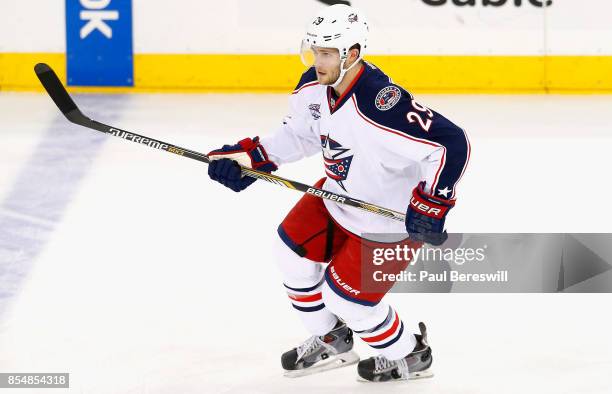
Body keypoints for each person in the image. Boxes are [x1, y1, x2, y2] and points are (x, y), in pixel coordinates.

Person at [206, 4, 470, 382]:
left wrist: (433, 202)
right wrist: (251, 158)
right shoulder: (314, 87)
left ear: (353, 54)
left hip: (386, 222)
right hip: (336, 198)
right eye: (315, 51)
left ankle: (410, 354)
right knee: (289, 254)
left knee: (348, 301)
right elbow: (300, 134)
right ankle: (333, 339)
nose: (318, 61)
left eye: (327, 53)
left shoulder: (382, 103)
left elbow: (450, 143)